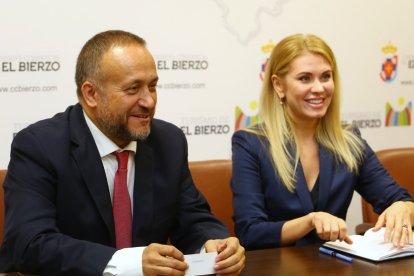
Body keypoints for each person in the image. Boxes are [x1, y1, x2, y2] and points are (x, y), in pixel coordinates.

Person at [0, 30, 245, 275]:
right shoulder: (39, 145)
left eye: (152, 86)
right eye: (132, 89)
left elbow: (192, 217)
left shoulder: (169, 141)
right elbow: (29, 244)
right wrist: (131, 262)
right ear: (91, 94)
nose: (148, 101)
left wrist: (214, 245)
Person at [231, 33, 414, 251]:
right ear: (278, 85)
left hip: (334, 267)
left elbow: (396, 198)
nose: (319, 88)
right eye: (305, 78)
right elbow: (249, 232)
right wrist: (309, 221)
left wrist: (403, 207)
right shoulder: (250, 143)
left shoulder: (349, 141)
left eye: (326, 77)